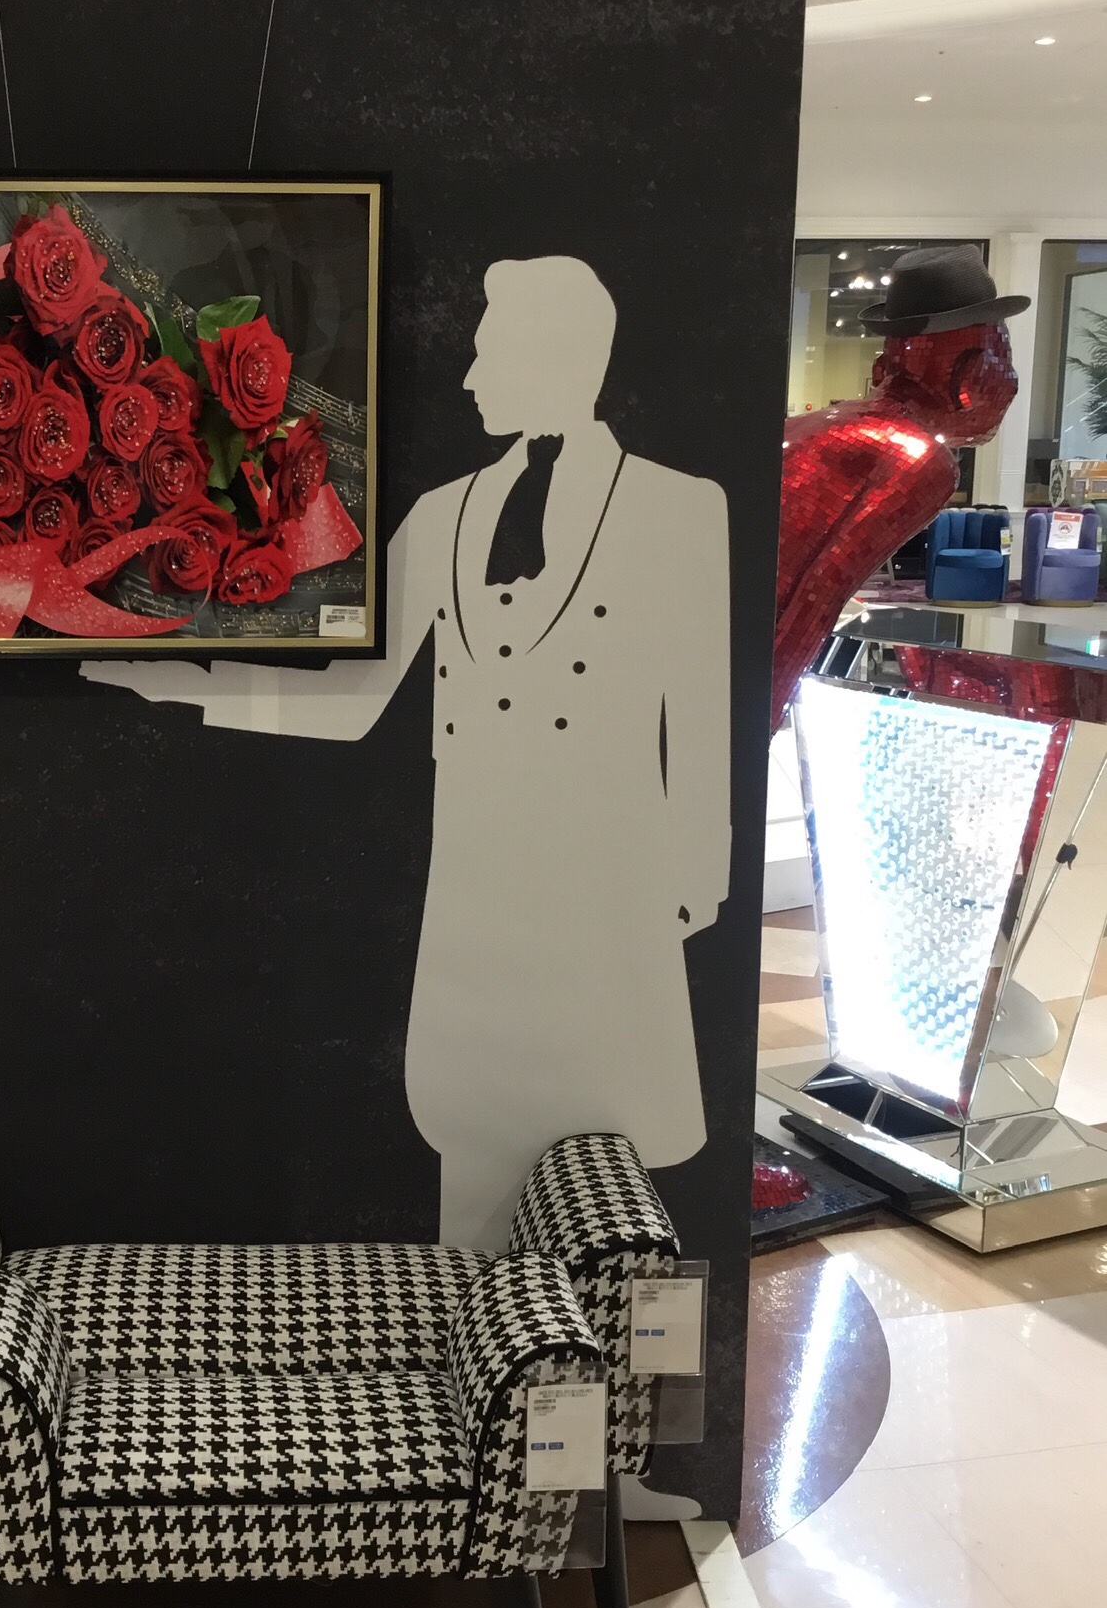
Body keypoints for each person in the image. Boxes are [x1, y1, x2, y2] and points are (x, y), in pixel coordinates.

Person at [85, 256, 731, 1251]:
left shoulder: (678, 509)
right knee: (469, 1199)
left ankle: (608, 1357)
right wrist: (184, 683)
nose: (467, 377)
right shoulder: (443, 515)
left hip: (604, 907)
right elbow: (348, 700)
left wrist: (692, 883)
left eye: (487, 353)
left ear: (554, 355)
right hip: (478, 916)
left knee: (617, 1214)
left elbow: (700, 708)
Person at [772, 243, 1030, 732]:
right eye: (1005, 364)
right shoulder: (916, 457)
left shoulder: (824, 424)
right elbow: (812, 600)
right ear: (970, 379)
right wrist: (747, 734)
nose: (1012, 385)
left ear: (879, 370)